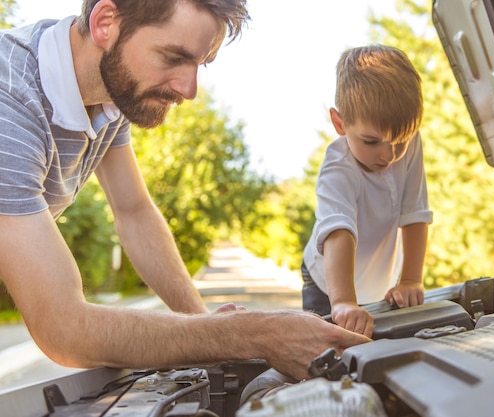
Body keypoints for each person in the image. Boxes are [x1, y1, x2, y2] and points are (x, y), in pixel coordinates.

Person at [0, 0, 370, 382]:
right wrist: (253, 334)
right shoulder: (8, 102)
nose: (189, 89)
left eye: (199, 64)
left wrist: (202, 321)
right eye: (172, 57)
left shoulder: (110, 92)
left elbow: (133, 211)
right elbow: (64, 328)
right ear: (105, 23)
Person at [302, 44, 433, 338]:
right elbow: (339, 231)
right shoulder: (338, 169)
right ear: (340, 123)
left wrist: (411, 279)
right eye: (372, 141)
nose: (389, 154)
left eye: (401, 140)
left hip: (377, 282)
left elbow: (415, 211)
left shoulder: (409, 145)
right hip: (327, 285)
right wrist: (344, 302)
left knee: (374, 348)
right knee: (323, 351)